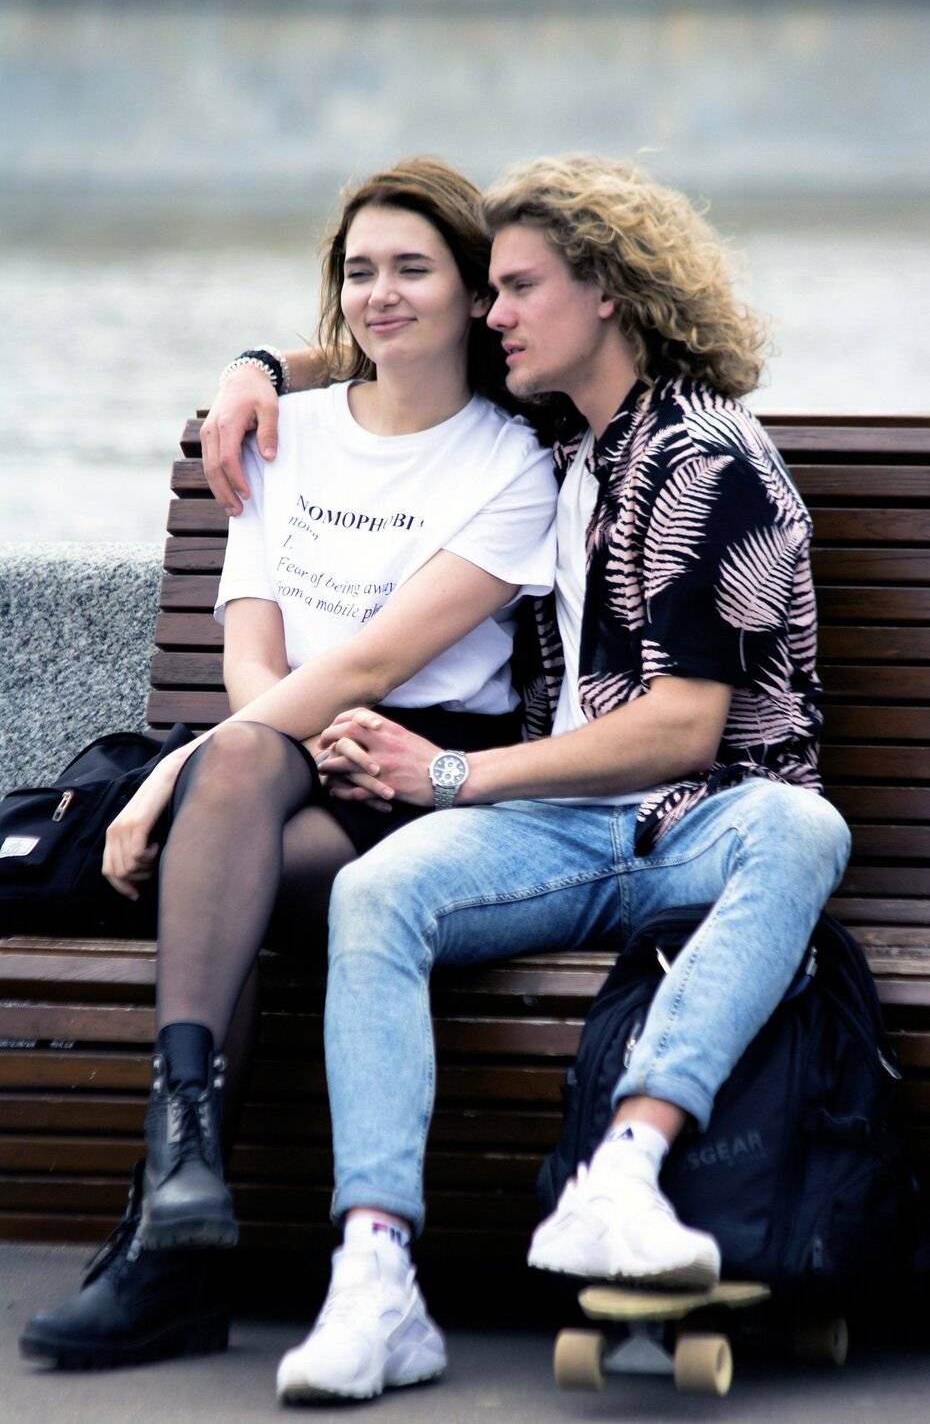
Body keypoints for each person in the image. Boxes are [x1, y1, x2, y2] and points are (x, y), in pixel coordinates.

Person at [193, 154, 851, 1406]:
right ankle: (375, 1276)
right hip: (558, 830)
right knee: (374, 895)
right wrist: (256, 368)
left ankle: (627, 1171)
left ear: (609, 291)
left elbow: (683, 732)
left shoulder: (706, 457)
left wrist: (451, 773)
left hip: (699, 823)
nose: (492, 316)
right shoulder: (565, 430)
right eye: (490, 290)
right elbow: (395, 337)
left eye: (519, 290)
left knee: (803, 832)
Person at [19, 157, 557, 1373]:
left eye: (413, 268)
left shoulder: (512, 464)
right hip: (276, 752)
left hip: (411, 774)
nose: (381, 294)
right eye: (359, 271)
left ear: (475, 292)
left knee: (222, 819)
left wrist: (178, 772)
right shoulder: (284, 437)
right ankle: (181, 1182)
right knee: (239, 794)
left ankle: (166, 1250)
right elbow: (254, 658)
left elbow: (376, 661)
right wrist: (246, 748)